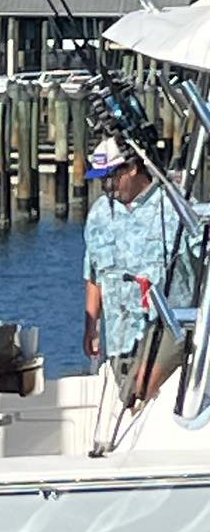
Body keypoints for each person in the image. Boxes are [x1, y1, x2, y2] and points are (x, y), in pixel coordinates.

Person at [82, 137, 196, 400]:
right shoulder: (99, 213)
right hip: (120, 336)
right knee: (127, 396)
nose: (107, 187)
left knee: (142, 386)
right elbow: (94, 274)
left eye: (111, 177)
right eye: (102, 180)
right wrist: (91, 326)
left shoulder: (176, 205)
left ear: (132, 168)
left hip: (169, 328)